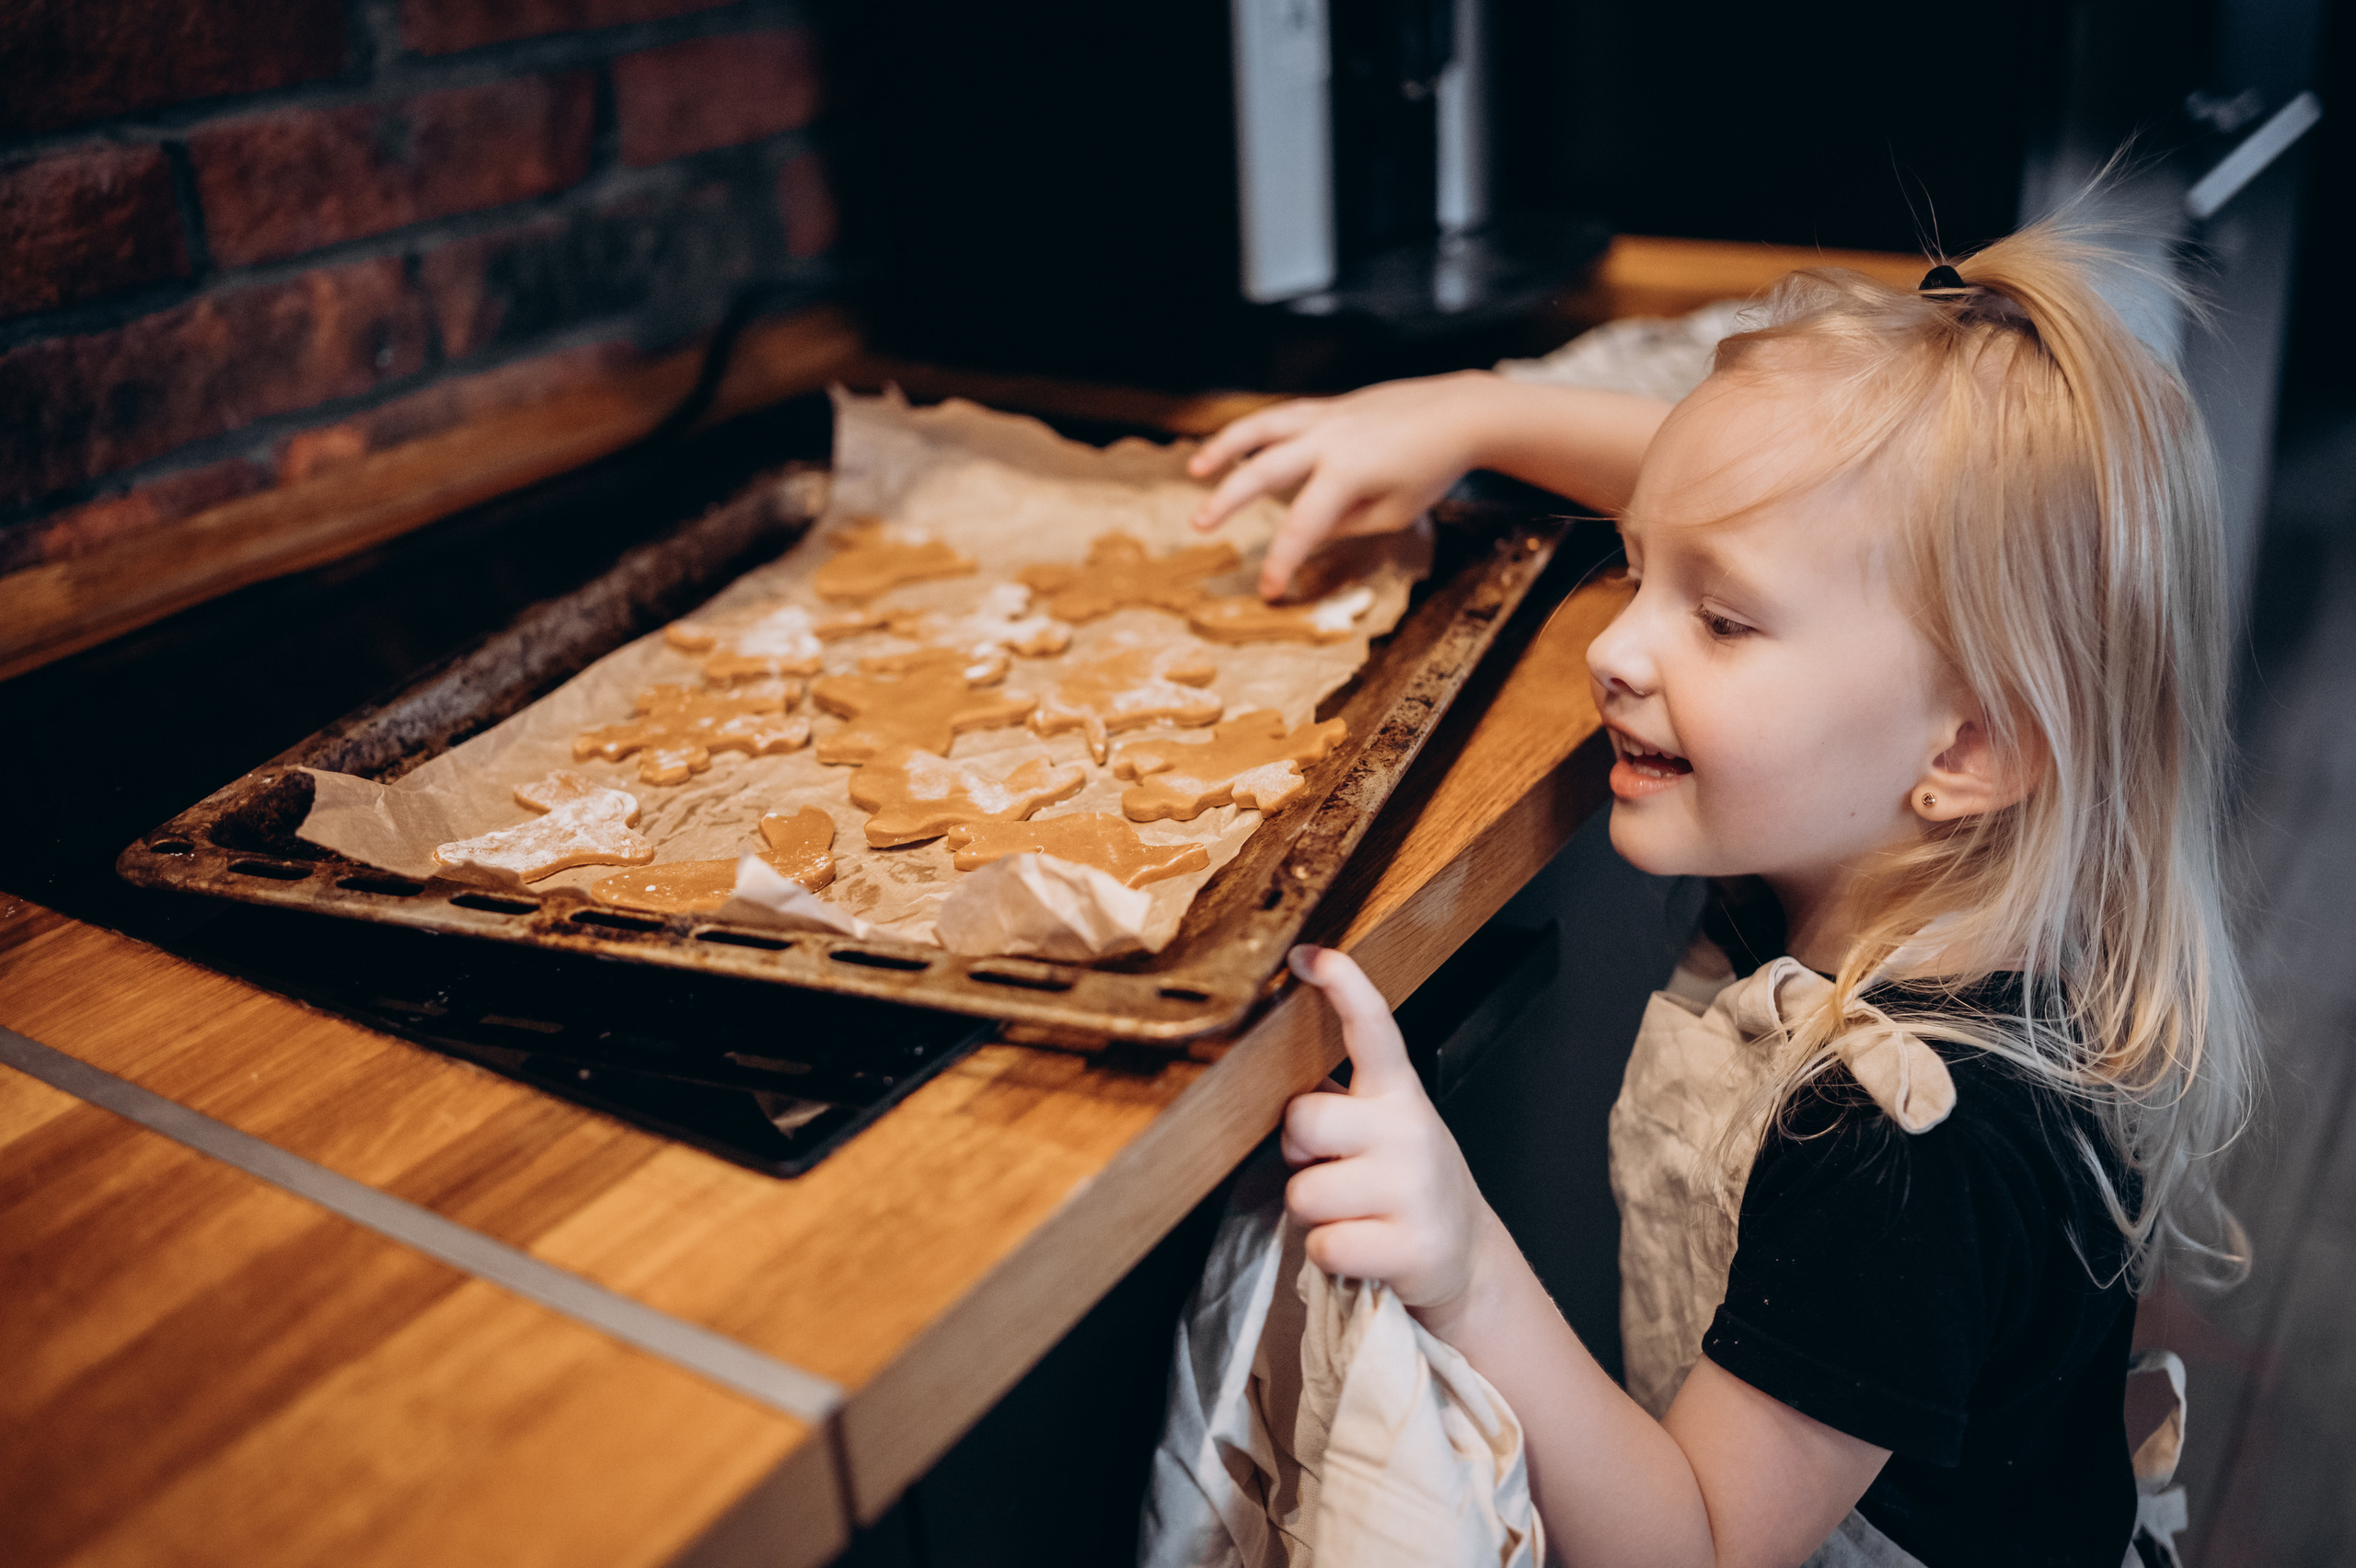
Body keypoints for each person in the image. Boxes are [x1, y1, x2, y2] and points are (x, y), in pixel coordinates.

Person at [1183, 219, 2253, 1566]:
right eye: (1639, 567)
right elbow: (1755, 506)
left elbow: (1696, 1547)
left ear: (1970, 747)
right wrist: (1468, 411)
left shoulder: (1905, 1150)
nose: (1616, 648)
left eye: (1723, 620)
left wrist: (1460, 1261)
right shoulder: (1940, 858)